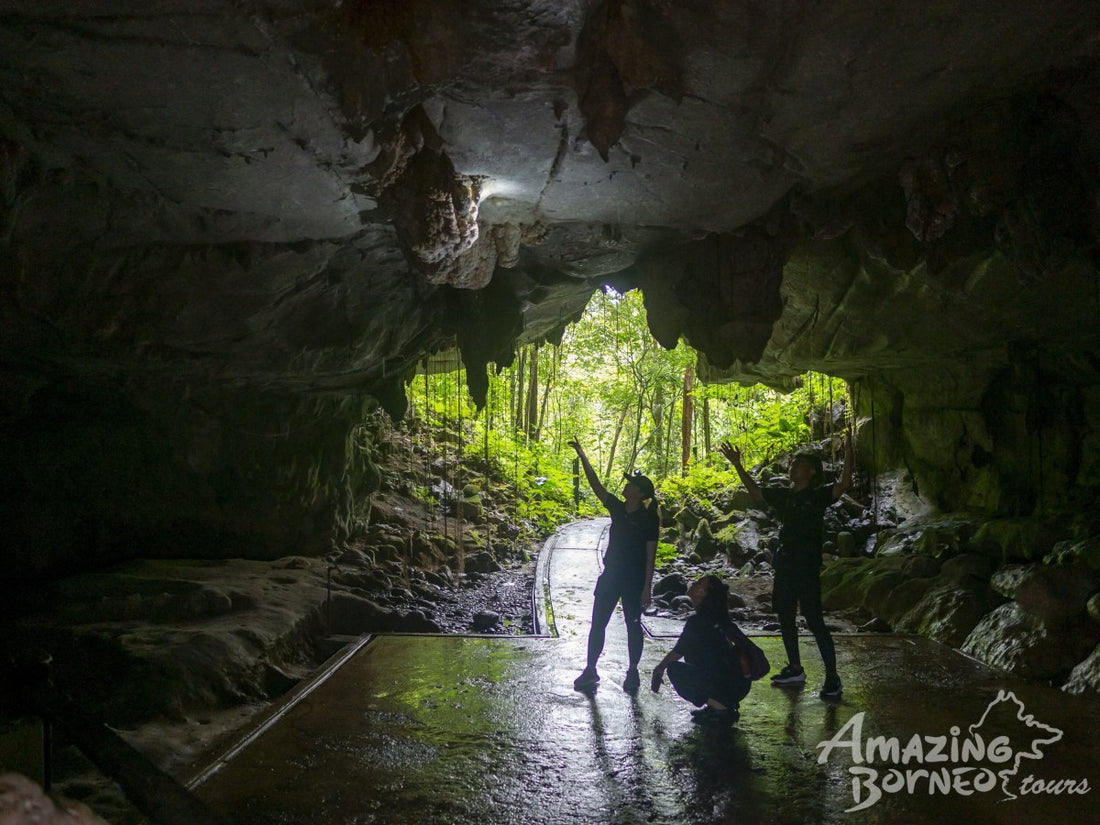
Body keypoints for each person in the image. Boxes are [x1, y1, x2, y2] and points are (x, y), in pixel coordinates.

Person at [719, 432, 853, 699]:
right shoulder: (785, 496)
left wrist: (849, 451)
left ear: (812, 472)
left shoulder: (818, 495)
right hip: (786, 564)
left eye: (799, 464)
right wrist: (737, 464)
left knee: (814, 620)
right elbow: (756, 492)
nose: (793, 466)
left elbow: (844, 483)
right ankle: (795, 668)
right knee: (786, 616)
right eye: (793, 463)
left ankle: (832, 677)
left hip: (806, 566)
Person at [568, 438, 659, 693]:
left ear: (639, 493)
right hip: (611, 575)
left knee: (633, 625)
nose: (626, 485)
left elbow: (650, 556)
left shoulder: (649, 519)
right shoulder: (618, 509)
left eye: (631, 484)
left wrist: (647, 588)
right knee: (598, 623)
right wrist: (583, 455)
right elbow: (596, 484)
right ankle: (590, 669)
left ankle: (633, 670)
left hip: (634, 580)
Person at [650, 574, 752, 725]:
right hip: (738, 683)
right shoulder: (719, 616)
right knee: (696, 657)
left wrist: (660, 668)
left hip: (726, 684)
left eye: (698, 584)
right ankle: (719, 704)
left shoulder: (699, 621)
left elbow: (678, 651)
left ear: (704, 594)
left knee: (674, 669)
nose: (693, 583)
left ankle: (721, 709)